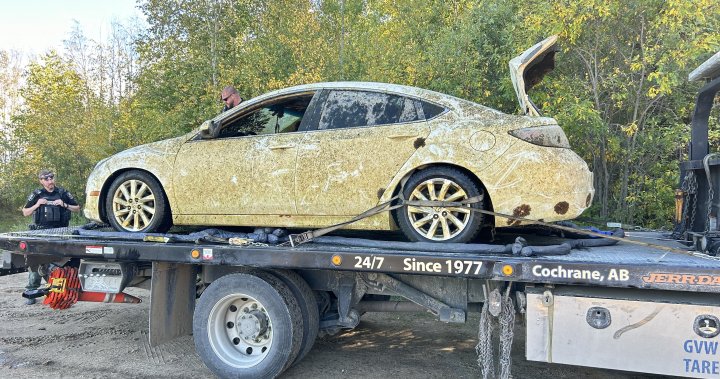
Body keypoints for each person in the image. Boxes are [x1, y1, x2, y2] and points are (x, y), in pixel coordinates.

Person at [21, 169, 80, 305]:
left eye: (51, 178)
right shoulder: (37, 194)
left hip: (61, 231)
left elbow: (77, 208)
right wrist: (37, 204)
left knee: (61, 262)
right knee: (35, 261)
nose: (50, 181)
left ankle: (59, 292)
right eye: (46, 179)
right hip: (41, 232)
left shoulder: (63, 193)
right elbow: (25, 212)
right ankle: (31, 291)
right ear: (41, 181)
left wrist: (64, 204)